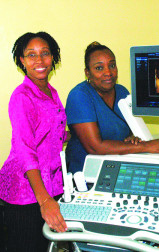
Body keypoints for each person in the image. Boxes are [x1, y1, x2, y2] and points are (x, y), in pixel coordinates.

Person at [0, 32, 69, 252]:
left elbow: (50, 135)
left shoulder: (51, 92)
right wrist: (45, 201)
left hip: (52, 185)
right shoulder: (22, 96)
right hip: (25, 193)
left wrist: (75, 134)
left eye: (45, 53)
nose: (39, 61)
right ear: (22, 60)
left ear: (53, 58)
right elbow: (25, 149)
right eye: (31, 55)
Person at [65, 42, 159, 174]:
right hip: (86, 173)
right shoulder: (79, 96)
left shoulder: (122, 92)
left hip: (118, 169)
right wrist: (146, 146)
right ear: (88, 73)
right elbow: (95, 147)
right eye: (99, 68)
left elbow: (128, 130)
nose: (108, 72)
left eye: (112, 65)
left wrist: (133, 138)